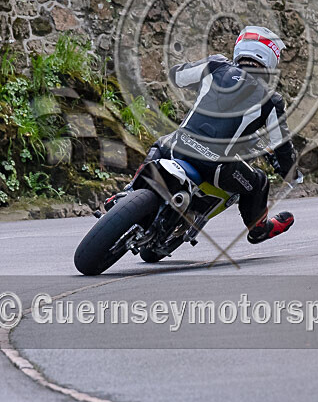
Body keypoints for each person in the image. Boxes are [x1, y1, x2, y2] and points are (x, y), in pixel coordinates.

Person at [107, 26, 298, 244]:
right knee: (260, 182)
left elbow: (177, 76)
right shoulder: (272, 100)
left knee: (160, 145)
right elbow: (281, 145)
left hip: (177, 146)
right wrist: (290, 173)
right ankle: (259, 229)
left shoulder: (215, 65)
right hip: (215, 166)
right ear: (270, 58)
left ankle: (128, 191)